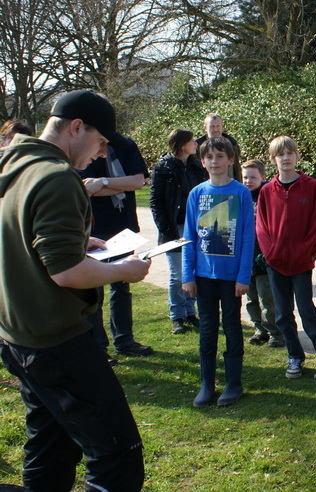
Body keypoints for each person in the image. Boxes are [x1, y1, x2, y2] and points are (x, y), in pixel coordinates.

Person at [0, 89, 151, 490]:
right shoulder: (57, 177)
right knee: (117, 456)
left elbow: (20, 236)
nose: (102, 153)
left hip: (18, 338)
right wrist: (125, 271)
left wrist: (77, 243)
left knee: (51, 446)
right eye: (101, 141)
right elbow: (66, 273)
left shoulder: (14, 164)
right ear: (76, 127)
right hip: (58, 342)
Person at [182, 137, 254, 407]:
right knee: (208, 327)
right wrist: (187, 275)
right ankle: (207, 384)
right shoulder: (197, 194)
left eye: (220, 156)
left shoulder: (241, 193)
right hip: (203, 276)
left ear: (230, 160)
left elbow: (247, 238)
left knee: (232, 326)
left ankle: (233, 383)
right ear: (202, 162)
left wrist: (243, 277)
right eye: (209, 157)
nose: (215, 161)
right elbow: (189, 237)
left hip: (231, 277)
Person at [255, 136, 316, 379]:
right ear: (273, 160)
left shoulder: (312, 187)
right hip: (275, 263)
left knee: (306, 309)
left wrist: (306, 252)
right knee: (282, 313)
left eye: (290, 153)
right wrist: (270, 253)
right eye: (280, 154)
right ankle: (295, 356)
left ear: (297, 156)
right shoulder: (267, 190)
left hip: (301, 262)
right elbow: (261, 226)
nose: (286, 158)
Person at [79, 133, 152, 359]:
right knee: (94, 292)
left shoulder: (125, 144)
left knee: (122, 288)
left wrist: (102, 182)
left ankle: (124, 341)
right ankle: (98, 348)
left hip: (122, 229)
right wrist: (122, 185)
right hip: (93, 229)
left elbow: (138, 181)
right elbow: (84, 188)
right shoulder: (84, 146)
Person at [149, 128, 208, 335]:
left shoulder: (197, 165)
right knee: (177, 275)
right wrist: (165, 227)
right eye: (192, 141)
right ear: (182, 144)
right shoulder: (163, 167)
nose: (196, 144)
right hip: (174, 228)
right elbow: (156, 200)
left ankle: (190, 312)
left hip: (195, 227)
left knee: (193, 272)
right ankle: (177, 316)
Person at [242, 159, 284, 347]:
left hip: (264, 258)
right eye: (245, 177)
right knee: (251, 298)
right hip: (246, 258)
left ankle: (275, 332)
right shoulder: (240, 198)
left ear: (262, 177)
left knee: (267, 298)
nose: (248, 181)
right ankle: (259, 329)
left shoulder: (268, 197)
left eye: (253, 177)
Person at [195, 112, 242, 182]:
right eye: (212, 126)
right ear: (205, 128)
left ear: (222, 126)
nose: (216, 130)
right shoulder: (197, 146)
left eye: (218, 126)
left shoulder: (232, 143)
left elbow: (236, 168)